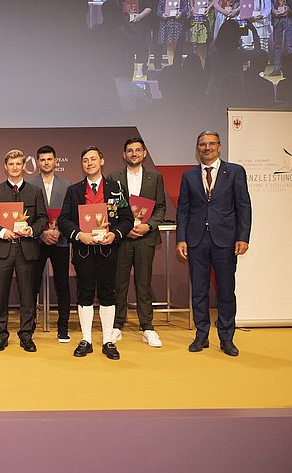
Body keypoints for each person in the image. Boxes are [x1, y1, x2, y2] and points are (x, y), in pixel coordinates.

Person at [176, 130, 251, 356]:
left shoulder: (235, 172)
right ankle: (201, 335)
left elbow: (244, 206)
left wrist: (243, 237)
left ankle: (227, 338)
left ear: (219, 147)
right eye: (202, 144)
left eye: (211, 144)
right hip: (197, 240)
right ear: (197, 148)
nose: (206, 148)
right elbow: (183, 209)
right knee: (199, 290)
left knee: (226, 291)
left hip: (226, 240)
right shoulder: (188, 175)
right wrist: (181, 238)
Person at [58, 147, 134, 360]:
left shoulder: (115, 189)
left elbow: (127, 218)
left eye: (93, 159)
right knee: (84, 293)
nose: (89, 163)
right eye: (85, 160)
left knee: (108, 293)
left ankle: (108, 340)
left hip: (108, 249)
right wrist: (79, 234)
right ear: (82, 165)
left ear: (102, 161)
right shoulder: (74, 191)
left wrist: (116, 234)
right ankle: (86, 339)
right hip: (83, 250)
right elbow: (64, 220)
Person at [0, 149, 48, 353]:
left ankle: (26, 335)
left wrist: (32, 230)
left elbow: (43, 219)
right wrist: (1, 231)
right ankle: (1, 335)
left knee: (27, 295)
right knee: (1, 295)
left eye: (19, 164)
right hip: (3, 250)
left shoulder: (34, 191)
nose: (15, 167)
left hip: (27, 250)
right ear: (5, 167)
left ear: (24, 166)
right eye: (11, 164)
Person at [107, 137, 167, 347]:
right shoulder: (113, 177)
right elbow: (110, 208)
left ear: (144, 153)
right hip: (122, 239)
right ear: (124, 154)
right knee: (119, 282)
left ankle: (147, 327)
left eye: (137, 150)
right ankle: (117, 325)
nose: (133, 154)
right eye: (130, 151)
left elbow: (161, 207)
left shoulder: (155, 177)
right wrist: (124, 229)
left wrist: (147, 226)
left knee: (143, 282)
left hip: (145, 238)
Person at [26, 145, 72, 342]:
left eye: (49, 159)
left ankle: (63, 328)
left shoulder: (68, 185)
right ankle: (29, 326)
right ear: (38, 162)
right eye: (42, 159)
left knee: (62, 285)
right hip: (36, 241)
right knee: (32, 285)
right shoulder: (29, 184)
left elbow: (71, 214)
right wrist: (43, 233)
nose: (46, 163)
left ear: (55, 161)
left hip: (60, 241)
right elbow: (25, 217)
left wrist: (58, 230)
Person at [269, 0, 292, 76]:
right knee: (277, 46)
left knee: (291, 46)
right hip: (276, 19)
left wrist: (289, 9)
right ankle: (277, 68)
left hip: (288, 18)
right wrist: (273, 11)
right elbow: (270, 3)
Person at [157, 0, 191, 65]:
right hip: (166, 23)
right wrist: (162, 14)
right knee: (169, 46)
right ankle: (171, 67)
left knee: (178, 46)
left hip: (178, 23)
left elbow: (186, 8)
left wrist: (181, 13)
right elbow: (158, 10)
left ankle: (177, 67)